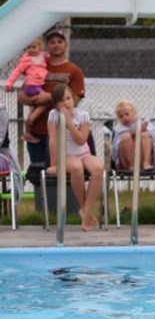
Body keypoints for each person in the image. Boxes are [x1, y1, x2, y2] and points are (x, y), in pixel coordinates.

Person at [17, 29, 85, 164]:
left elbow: (75, 101)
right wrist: (35, 99)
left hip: (62, 131)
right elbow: (21, 96)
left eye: (60, 41)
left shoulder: (74, 70)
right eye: (52, 42)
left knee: (60, 173)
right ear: (47, 46)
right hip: (37, 130)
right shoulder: (38, 66)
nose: (56, 45)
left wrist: (49, 97)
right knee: (38, 172)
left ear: (66, 45)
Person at [46, 84, 104, 231]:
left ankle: (86, 210)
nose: (66, 103)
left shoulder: (83, 115)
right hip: (65, 154)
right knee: (77, 167)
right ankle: (84, 210)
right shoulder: (53, 115)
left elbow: (81, 140)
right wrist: (54, 164)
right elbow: (53, 140)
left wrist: (70, 123)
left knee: (98, 168)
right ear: (56, 104)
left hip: (83, 151)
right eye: (61, 100)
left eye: (68, 98)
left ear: (74, 99)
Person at [4, 37, 48, 142]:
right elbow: (17, 71)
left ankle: (27, 132)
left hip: (37, 85)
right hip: (32, 86)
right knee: (46, 101)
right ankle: (30, 120)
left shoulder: (41, 56)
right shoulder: (26, 59)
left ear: (39, 48)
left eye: (34, 47)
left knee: (33, 106)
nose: (31, 49)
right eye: (29, 47)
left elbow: (47, 57)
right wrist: (10, 83)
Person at [111, 100, 155, 171]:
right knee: (126, 137)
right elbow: (115, 148)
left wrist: (143, 129)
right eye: (121, 116)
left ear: (134, 113)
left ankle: (146, 163)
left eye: (127, 114)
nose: (124, 117)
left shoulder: (144, 124)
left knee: (145, 135)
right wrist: (136, 130)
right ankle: (131, 165)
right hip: (126, 161)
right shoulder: (118, 129)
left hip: (142, 157)